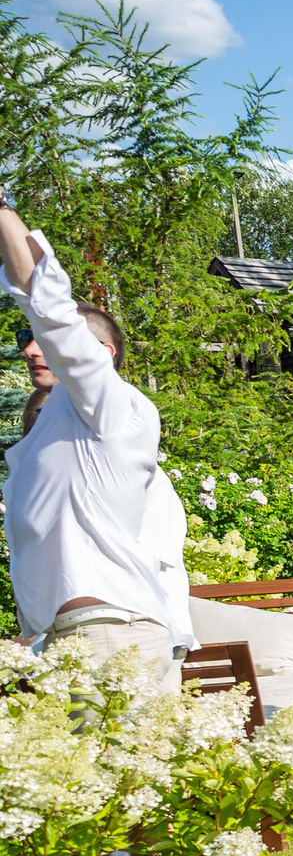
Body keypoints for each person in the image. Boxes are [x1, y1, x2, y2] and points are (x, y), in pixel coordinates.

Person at [0, 203, 194, 691]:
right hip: (77, 638)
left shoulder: (114, 407)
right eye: (25, 337)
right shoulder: (55, 431)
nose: (30, 347)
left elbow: (50, 309)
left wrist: (3, 212)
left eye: (41, 338)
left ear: (101, 357)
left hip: (112, 637)